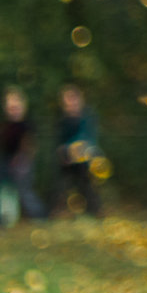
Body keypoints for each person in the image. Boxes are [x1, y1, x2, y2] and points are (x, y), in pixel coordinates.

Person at [0, 86, 45, 226]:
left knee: (24, 191)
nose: (13, 109)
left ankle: (40, 217)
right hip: (4, 160)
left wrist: (21, 159)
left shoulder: (27, 125)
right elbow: (0, 144)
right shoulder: (4, 125)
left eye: (16, 106)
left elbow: (30, 146)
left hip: (22, 162)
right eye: (10, 106)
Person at [56, 83, 103, 218]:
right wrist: (65, 152)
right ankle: (59, 210)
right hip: (68, 158)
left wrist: (78, 149)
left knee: (87, 184)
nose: (70, 103)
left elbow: (89, 139)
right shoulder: (64, 120)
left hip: (85, 157)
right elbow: (61, 141)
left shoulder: (87, 117)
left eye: (73, 99)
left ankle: (94, 210)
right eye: (67, 100)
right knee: (62, 184)